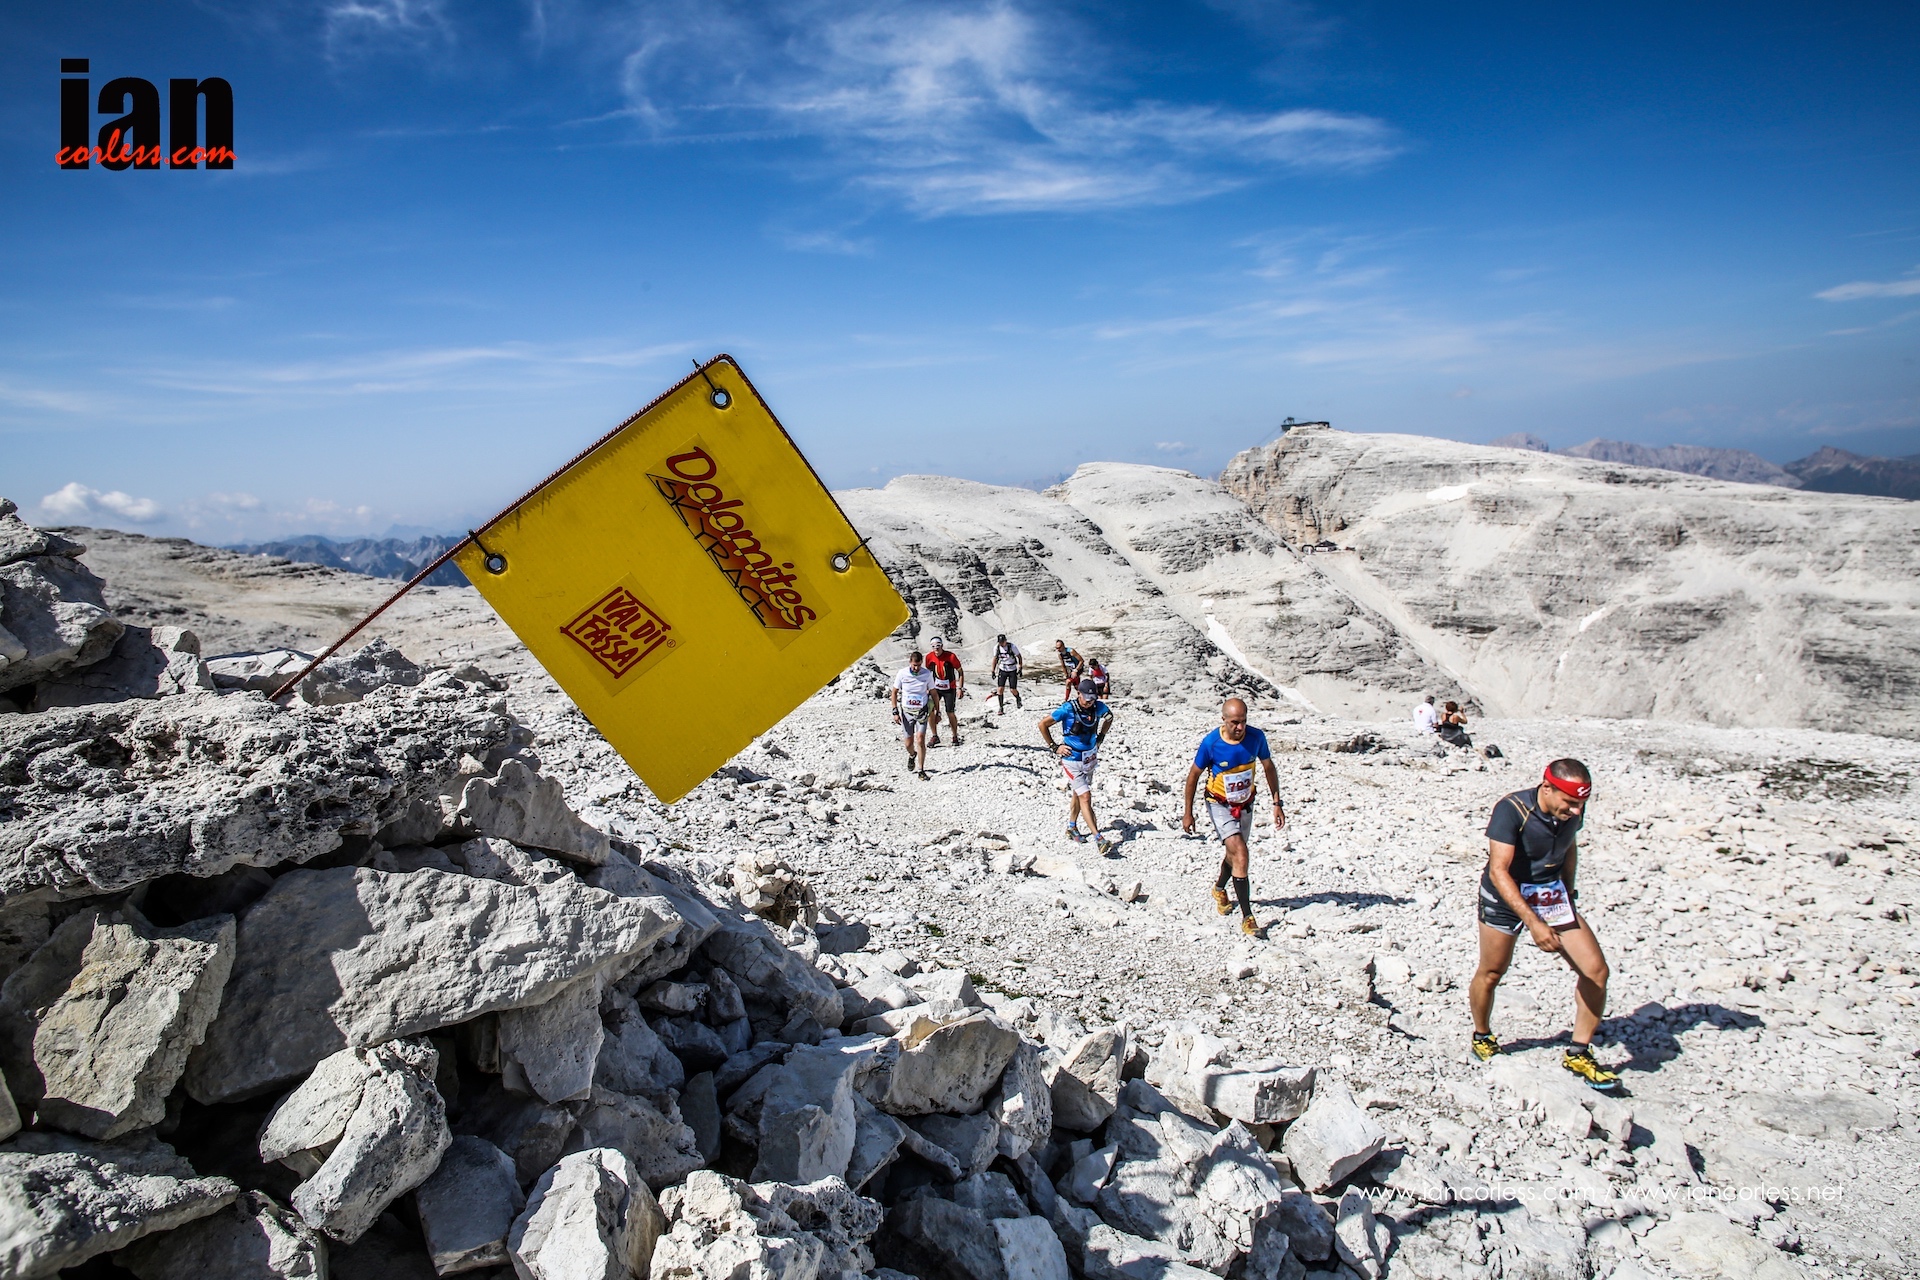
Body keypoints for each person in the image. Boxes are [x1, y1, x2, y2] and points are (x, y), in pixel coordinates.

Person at [1470, 758, 1618, 1089]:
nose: (1577, 811)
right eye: (1570, 802)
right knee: (1492, 971)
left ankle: (1579, 1052)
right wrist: (1534, 924)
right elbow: (1498, 870)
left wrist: (1568, 891)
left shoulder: (1571, 811)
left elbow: (1569, 848)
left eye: (1582, 804)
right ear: (1547, 788)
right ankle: (1482, 1035)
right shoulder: (1511, 810)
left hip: (1550, 895)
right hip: (1505, 896)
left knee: (1596, 971)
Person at [1182, 698, 1286, 937]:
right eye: (1235, 723)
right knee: (1240, 851)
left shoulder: (1256, 738)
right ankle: (1248, 918)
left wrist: (1277, 802)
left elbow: (1269, 767)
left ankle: (1219, 888)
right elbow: (1193, 776)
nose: (1240, 728)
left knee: (1235, 854)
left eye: (1244, 722)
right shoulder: (1211, 743)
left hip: (1246, 804)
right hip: (1219, 804)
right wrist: (1188, 812)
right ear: (1224, 720)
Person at [1039, 678, 1115, 853]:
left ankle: (1072, 827)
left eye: (1092, 698)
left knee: (1078, 794)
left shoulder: (1098, 707)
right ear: (1078, 693)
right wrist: (1054, 747)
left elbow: (1109, 717)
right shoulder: (1068, 709)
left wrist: (1101, 737)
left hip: (1089, 759)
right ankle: (1099, 838)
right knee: (1086, 797)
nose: (1089, 702)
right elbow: (1043, 724)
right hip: (1072, 760)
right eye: (1086, 698)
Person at [890, 651, 935, 780]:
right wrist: (895, 711)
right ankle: (912, 755)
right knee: (908, 744)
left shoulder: (927, 674)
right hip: (907, 712)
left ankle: (921, 770)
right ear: (910, 662)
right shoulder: (902, 673)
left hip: (922, 711)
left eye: (919, 665)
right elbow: (894, 692)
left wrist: (937, 710)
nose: (916, 668)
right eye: (914, 665)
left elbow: (933, 693)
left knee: (920, 739)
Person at [923, 636, 966, 747]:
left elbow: (960, 672)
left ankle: (955, 736)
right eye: (933, 647)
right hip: (935, 689)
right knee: (930, 710)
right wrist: (926, 688)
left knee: (950, 712)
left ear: (942, 646)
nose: (936, 649)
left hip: (949, 689)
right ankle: (934, 736)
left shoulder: (951, 656)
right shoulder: (928, 657)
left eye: (938, 646)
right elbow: (928, 673)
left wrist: (960, 688)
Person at [991, 633, 1023, 713]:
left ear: (1005, 641)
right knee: (1000, 689)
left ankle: (1018, 698)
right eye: (1000, 642)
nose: (1001, 644)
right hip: (1002, 669)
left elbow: (1019, 656)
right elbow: (995, 659)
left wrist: (1020, 667)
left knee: (1013, 689)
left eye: (1002, 642)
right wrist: (993, 670)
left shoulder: (1012, 647)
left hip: (1012, 669)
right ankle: (1001, 708)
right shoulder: (997, 648)